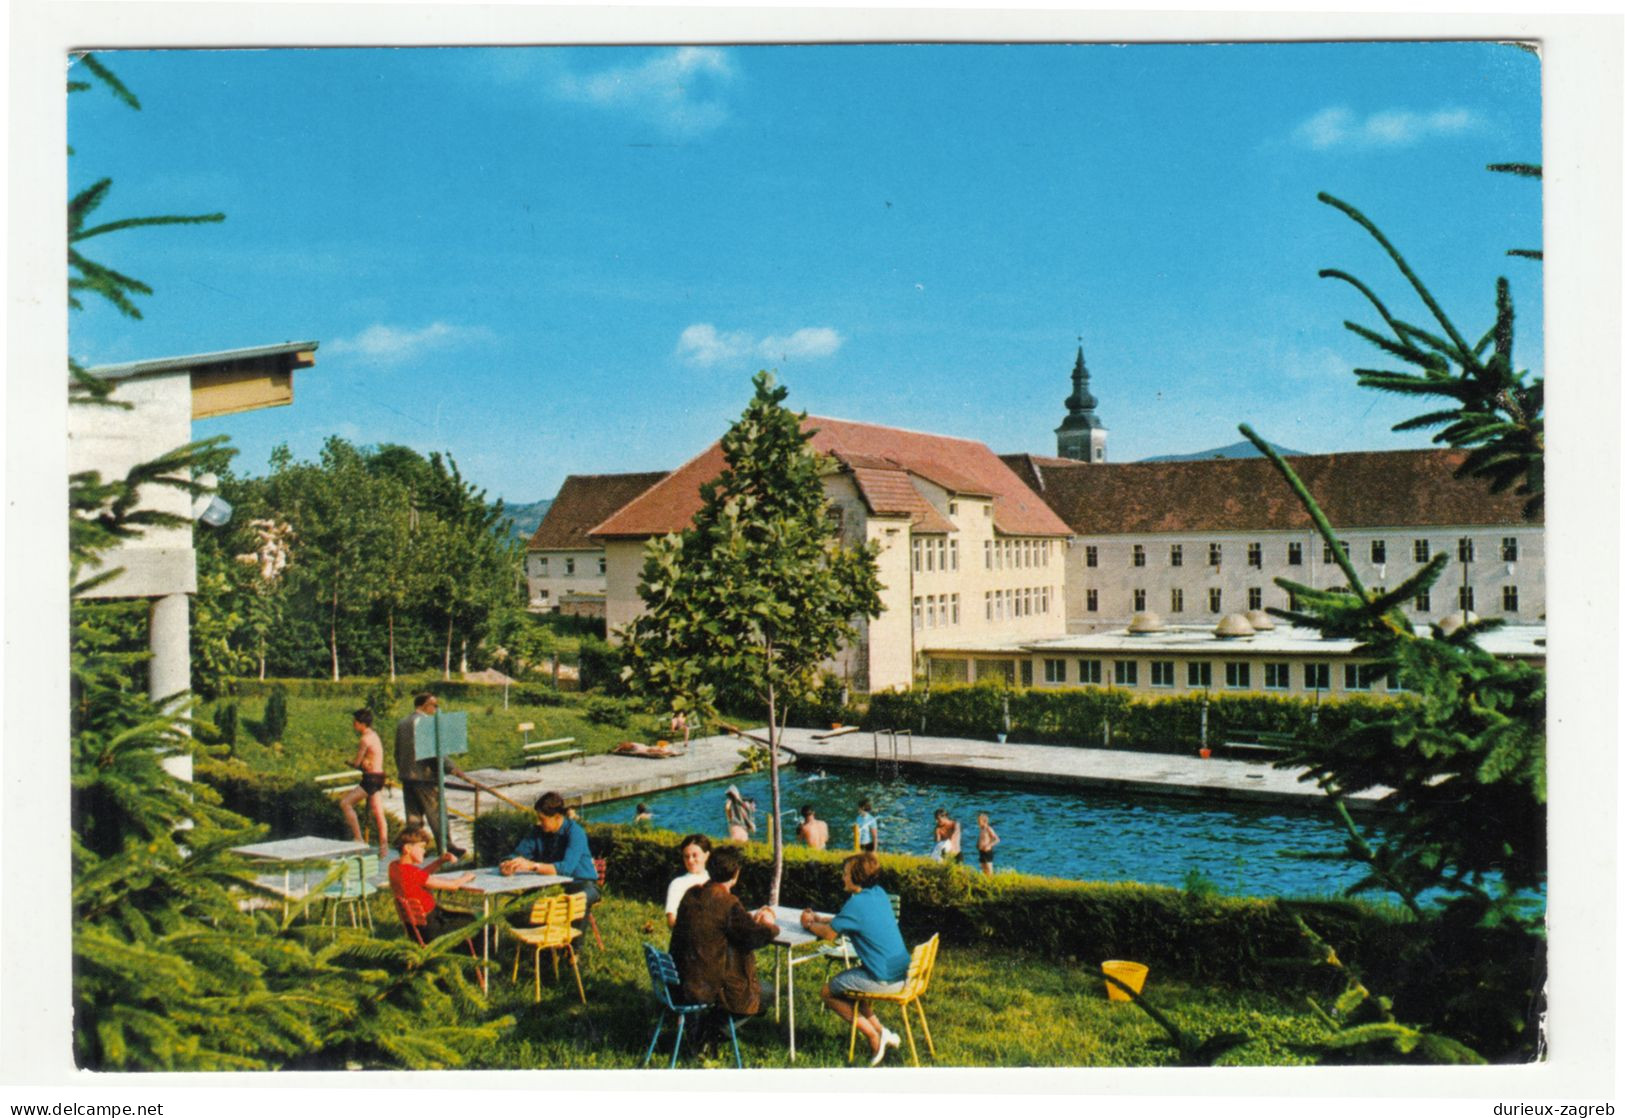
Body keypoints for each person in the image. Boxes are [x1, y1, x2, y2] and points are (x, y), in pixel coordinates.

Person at [800, 853, 909, 1066]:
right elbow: (848, 921)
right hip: (900, 973)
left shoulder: (856, 904)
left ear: (856, 877)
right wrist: (821, 919)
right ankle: (882, 1031)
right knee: (853, 993)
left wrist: (808, 925)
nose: (842, 877)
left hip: (883, 979)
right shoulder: (878, 894)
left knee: (827, 992)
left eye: (845, 874)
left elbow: (830, 934)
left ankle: (873, 1036)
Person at [669, 846, 780, 1037]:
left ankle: (703, 1026)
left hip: (679, 981)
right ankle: (714, 1032)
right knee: (769, 992)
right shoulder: (727, 902)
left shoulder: (691, 894)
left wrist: (750, 922)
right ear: (736, 874)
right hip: (705, 987)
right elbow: (753, 938)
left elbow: (723, 926)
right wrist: (770, 924)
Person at [501, 791, 601, 930]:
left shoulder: (575, 833)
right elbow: (517, 854)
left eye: (542, 819)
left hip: (581, 883)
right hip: (549, 885)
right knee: (511, 910)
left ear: (557, 817)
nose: (538, 822)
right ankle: (545, 938)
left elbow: (565, 869)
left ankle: (572, 948)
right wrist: (508, 863)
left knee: (575, 903)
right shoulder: (537, 832)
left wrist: (532, 866)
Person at [393, 692, 465, 858]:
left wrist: (404, 770)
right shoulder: (426, 723)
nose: (436, 708)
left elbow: (397, 752)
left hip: (407, 776)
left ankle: (412, 847)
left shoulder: (403, 722)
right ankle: (447, 847)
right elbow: (435, 751)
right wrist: (451, 768)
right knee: (437, 812)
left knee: (413, 817)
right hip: (425, 778)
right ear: (424, 705)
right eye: (434, 705)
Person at [387, 826, 474, 939]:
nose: (424, 851)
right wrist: (467, 876)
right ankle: (472, 952)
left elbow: (420, 876)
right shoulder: (413, 873)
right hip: (432, 928)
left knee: (465, 917)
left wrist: (440, 861)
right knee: (472, 920)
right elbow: (453, 886)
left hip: (415, 928)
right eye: (422, 847)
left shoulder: (394, 866)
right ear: (408, 848)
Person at [339, 707, 389, 859]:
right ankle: (384, 846)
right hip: (379, 776)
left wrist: (350, 762)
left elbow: (357, 763)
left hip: (370, 779)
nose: (353, 725)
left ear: (361, 723)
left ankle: (358, 837)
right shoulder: (374, 735)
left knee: (345, 804)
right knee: (379, 813)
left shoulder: (364, 739)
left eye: (355, 722)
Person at [664, 832, 712, 928]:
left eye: (695, 855)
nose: (690, 860)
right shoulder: (677, 883)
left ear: (706, 855)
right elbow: (671, 921)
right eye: (686, 856)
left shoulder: (714, 880)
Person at [976, 812, 1000, 877]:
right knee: (983, 869)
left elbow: (997, 839)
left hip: (987, 851)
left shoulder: (988, 829)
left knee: (989, 870)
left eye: (979, 821)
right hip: (981, 852)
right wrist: (978, 843)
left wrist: (989, 845)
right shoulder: (981, 829)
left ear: (984, 821)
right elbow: (982, 838)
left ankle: (991, 882)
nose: (978, 822)